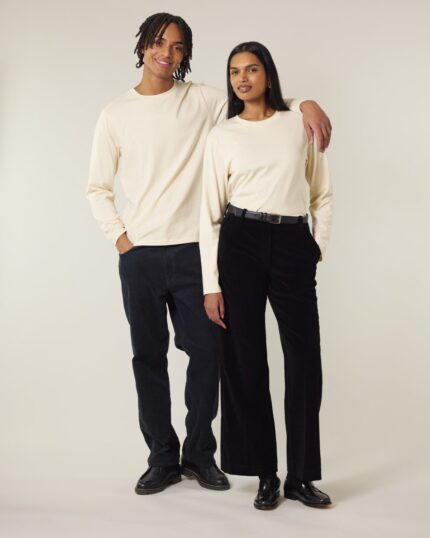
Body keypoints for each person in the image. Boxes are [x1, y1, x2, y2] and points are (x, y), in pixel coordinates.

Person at [87, 12, 332, 496]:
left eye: (178, 46)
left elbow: (258, 101)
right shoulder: (115, 113)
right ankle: (162, 458)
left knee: (208, 356)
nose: (167, 53)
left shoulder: (202, 100)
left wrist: (305, 102)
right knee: (148, 357)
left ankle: (200, 454)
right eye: (159, 42)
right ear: (143, 46)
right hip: (140, 253)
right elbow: (97, 187)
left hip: (196, 251)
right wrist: (121, 240)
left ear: (185, 55)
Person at [200, 41, 333, 510]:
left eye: (252, 69)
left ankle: (301, 476)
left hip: (293, 241)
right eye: (234, 71)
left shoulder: (298, 123)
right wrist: (211, 284)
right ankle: (264, 473)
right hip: (239, 241)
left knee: (304, 358)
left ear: (268, 75)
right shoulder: (222, 135)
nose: (242, 78)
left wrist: (315, 247)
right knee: (245, 360)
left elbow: (321, 193)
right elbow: (208, 213)